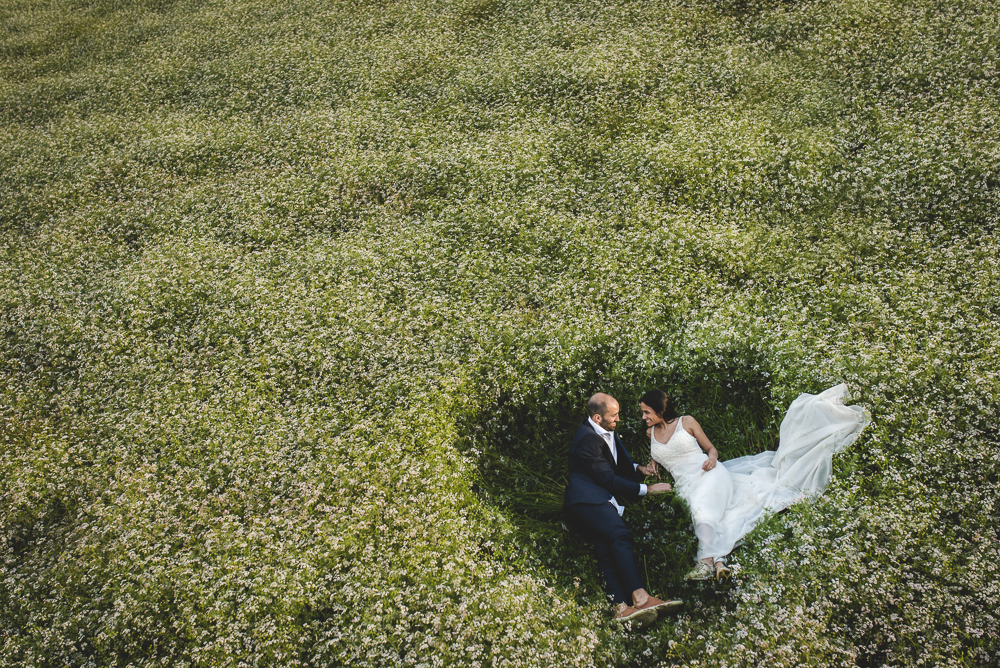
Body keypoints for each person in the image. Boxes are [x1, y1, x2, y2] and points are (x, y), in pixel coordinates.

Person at [640, 383, 870, 580]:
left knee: (702, 510)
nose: (644, 417)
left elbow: (711, 449)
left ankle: (705, 561)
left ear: (661, 410)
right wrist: (652, 466)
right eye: (643, 413)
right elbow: (661, 456)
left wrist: (712, 459)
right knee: (717, 513)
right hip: (684, 483)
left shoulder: (686, 422)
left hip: (708, 472)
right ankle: (719, 563)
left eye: (647, 412)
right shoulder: (650, 434)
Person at [563, 392, 683, 627]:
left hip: (593, 499)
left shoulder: (604, 430)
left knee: (605, 547)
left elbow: (615, 461)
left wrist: (639, 469)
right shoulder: (587, 438)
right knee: (620, 535)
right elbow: (607, 478)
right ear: (598, 417)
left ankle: (620, 608)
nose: (619, 418)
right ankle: (641, 598)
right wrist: (647, 490)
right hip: (586, 500)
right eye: (614, 415)